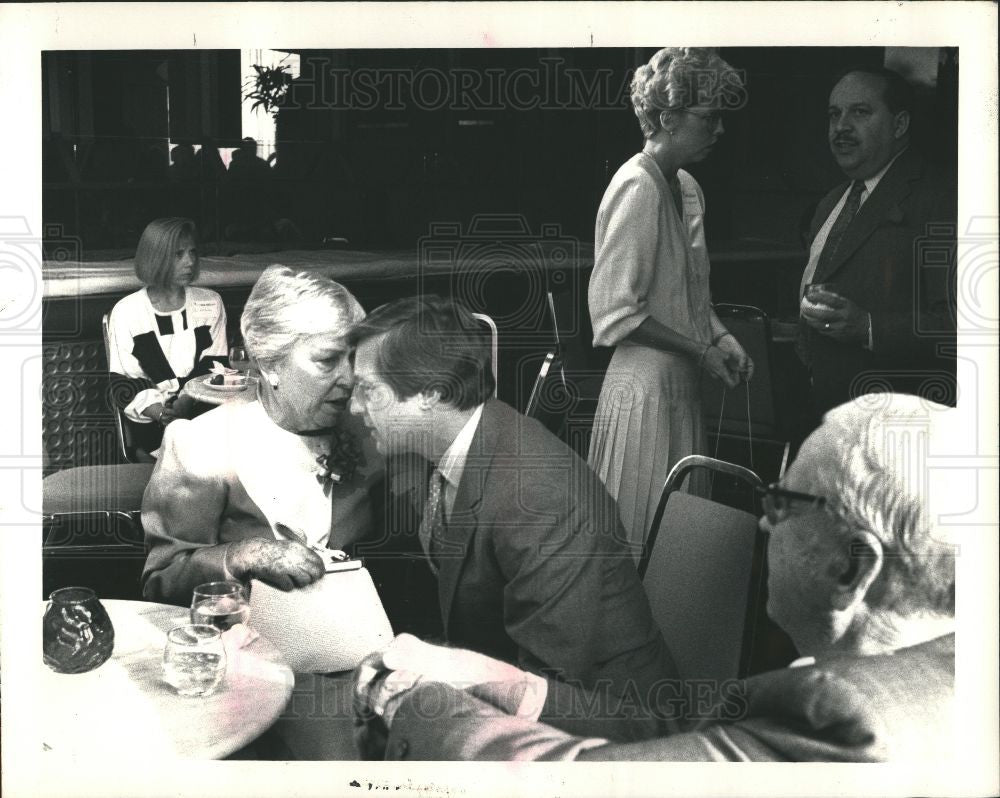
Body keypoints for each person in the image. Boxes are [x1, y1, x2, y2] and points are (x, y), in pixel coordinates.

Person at [355, 393, 957, 762]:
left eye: (783, 504)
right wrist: (488, 677)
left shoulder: (846, 716)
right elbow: (678, 732)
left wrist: (418, 701)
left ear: (851, 567)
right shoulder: (941, 667)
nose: (766, 526)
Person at [347, 295, 676, 706]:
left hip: (609, 724)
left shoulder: (538, 499)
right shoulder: (462, 442)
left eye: (367, 390)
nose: (354, 406)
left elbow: (548, 686)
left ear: (430, 391)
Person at [587, 48, 753, 555]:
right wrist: (699, 350)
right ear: (668, 118)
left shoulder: (685, 187)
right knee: (641, 543)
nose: (719, 129)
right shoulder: (637, 186)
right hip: (643, 393)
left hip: (680, 388)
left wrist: (720, 337)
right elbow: (615, 313)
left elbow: (690, 294)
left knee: (678, 546)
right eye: (709, 116)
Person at [141, 265, 383, 606]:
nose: (349, 377)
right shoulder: (202, 443)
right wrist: (243, 555)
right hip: (249, 644)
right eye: (328, 361)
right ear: (270, 364)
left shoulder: (375, 433)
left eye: (355, 358)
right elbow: (162, 581)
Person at [798, 66, 957, 421]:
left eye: (860, 112)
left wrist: (870, 327)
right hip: (829, 421)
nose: (841, 127)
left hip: (895, 427)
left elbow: (963, 323)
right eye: (834, 114)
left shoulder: (941, 197)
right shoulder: (831, 201)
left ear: (900, 125)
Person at [107, 217, 228, 455]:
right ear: (155, 257)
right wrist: (162, 414)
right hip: (151, 426)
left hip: (202, 414)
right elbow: (123, 381)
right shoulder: (127, 311)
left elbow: (214, 365)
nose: (190, 262)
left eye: (193, 252)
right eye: (178, 254)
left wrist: (184, 402)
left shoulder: (210, 302)